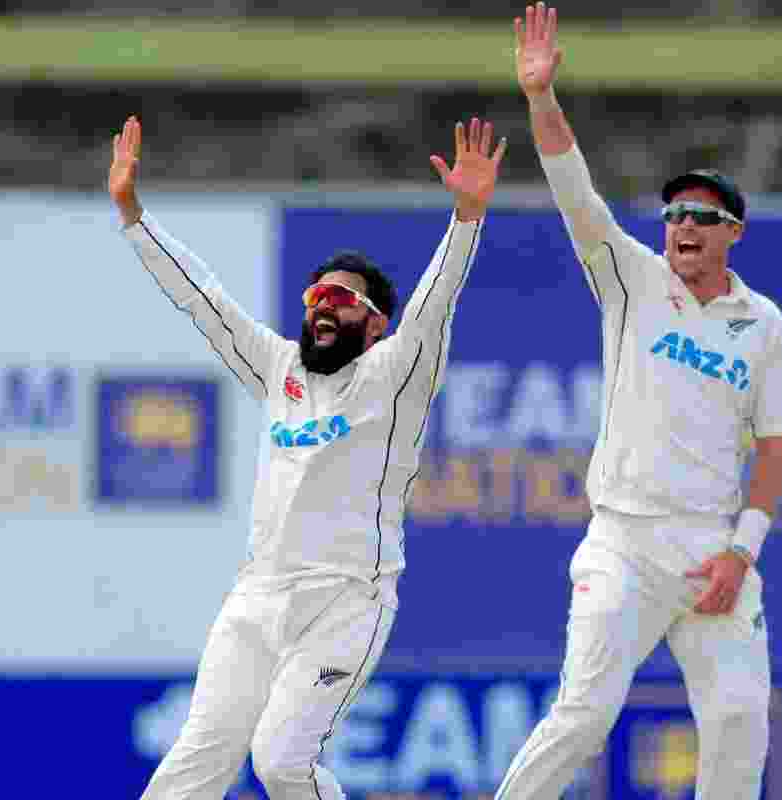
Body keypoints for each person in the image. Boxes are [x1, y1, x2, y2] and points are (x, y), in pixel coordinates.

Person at [107, 114, 506, 800]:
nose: (323, 307)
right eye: (316, 295)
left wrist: (467, 218)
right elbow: (204, 301)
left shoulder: (396, 375)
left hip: (348, 601)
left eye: (343, 300)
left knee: (282, 761)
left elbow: (436, 306)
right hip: (257, 598)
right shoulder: (279, 367)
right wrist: (132, 215)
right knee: (197, 757)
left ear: (377, 322)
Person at [493, 5, 782, 798]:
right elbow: (574, 191)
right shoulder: (630, 277)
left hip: (711, 550)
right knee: (585, 713)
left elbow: (774, 445)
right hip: (623, 541)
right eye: (674, 214)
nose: (683, 225)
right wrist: (539, 98)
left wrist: (743, 551)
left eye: (702, 216)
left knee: (739, 723)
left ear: (734, 233)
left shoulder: (761, 322)